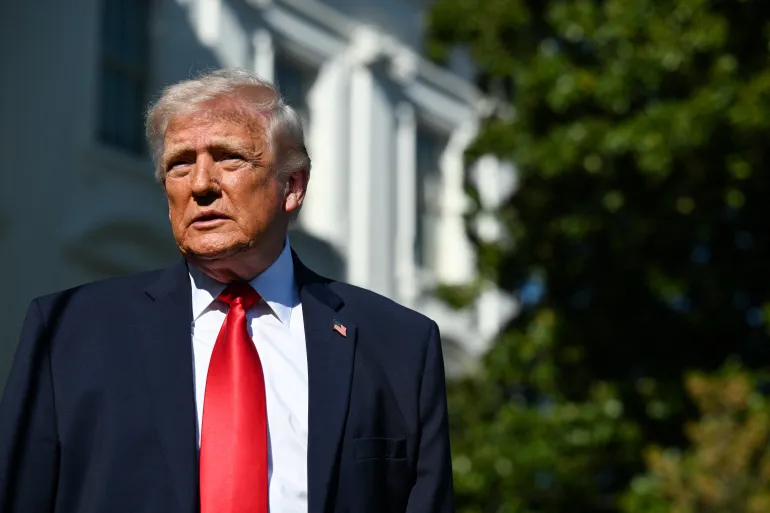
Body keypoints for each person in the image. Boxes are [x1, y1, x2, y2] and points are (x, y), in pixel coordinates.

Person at [0, 68, 454, 513]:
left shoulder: (398, 345)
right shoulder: (70, 333)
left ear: (292, 186)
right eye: (180, 164)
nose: (200, 185)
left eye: (229, 157)